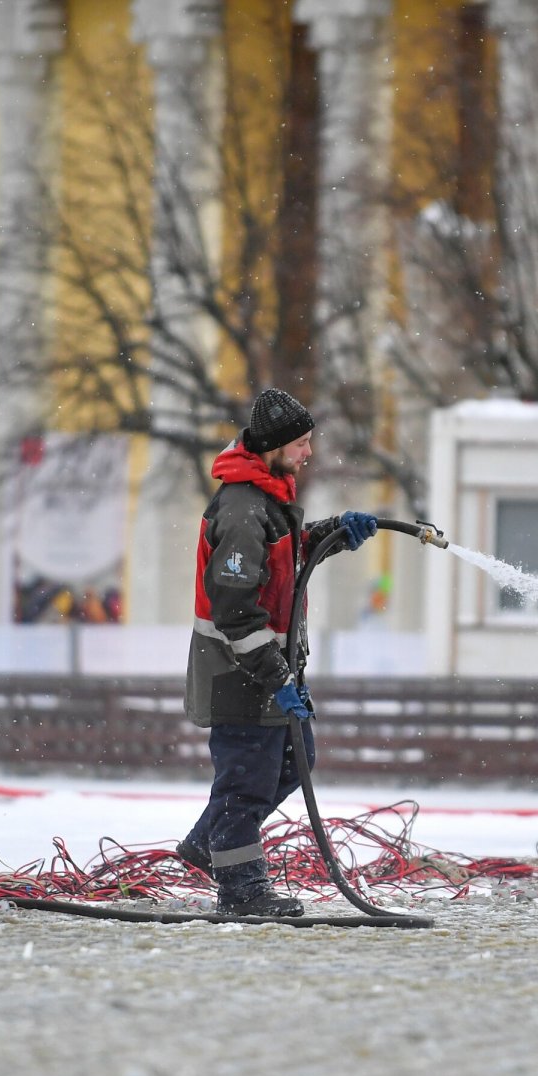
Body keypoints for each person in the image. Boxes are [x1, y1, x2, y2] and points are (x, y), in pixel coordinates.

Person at [177, 387, 379, 916]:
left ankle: (208, 843)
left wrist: (334, 533)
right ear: (274, 445)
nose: (308, 453)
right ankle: (242, 891)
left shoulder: (268, 497)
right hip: (238, 669)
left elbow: (287, 558)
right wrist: (278, 678)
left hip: (269, 668)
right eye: (302, 443)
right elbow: (236, 612)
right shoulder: (243, 510)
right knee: (247, 782)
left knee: (297, 761)